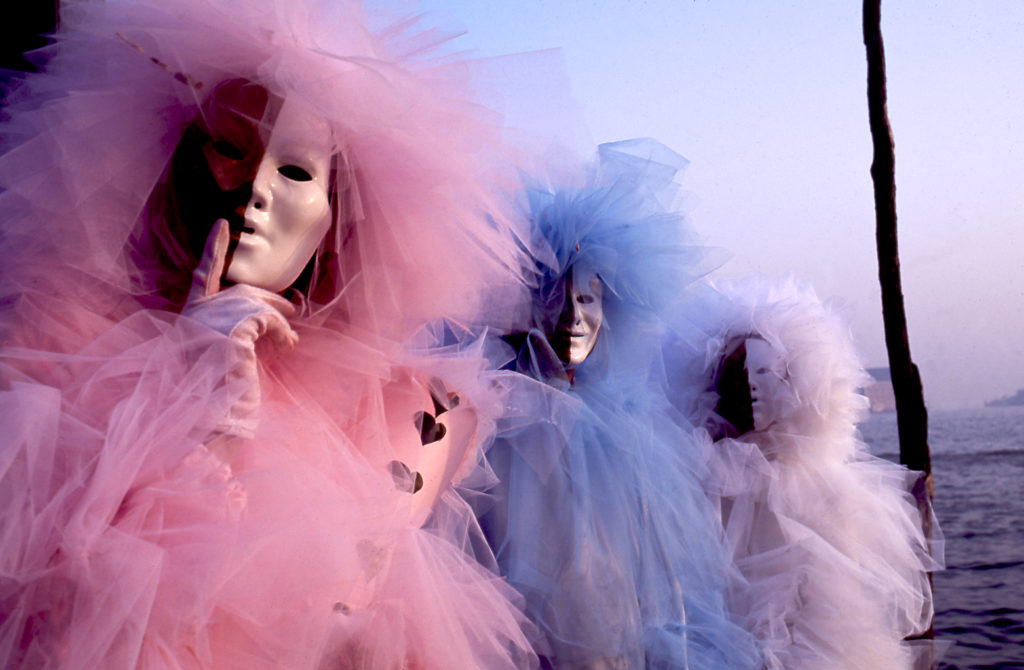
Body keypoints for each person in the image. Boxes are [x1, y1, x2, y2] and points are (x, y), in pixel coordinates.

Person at [0, 0, 539, 667]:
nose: (255, 189)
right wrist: (185, 411)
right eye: (229, 149)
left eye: (295, 170)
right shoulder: (54, 352)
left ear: (339, 210)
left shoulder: (395, 414)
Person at [475, 139, 762, 669]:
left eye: (587, 299)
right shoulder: (495, 422)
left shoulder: (632, 434)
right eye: (556, 299)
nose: (572, 319)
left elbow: (655, 579)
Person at [678, 277, 942, 669]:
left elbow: (838, 602)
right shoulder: (694, 478)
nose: (750, 385)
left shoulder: (826, 486)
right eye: (737, 371)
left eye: (765, 371)